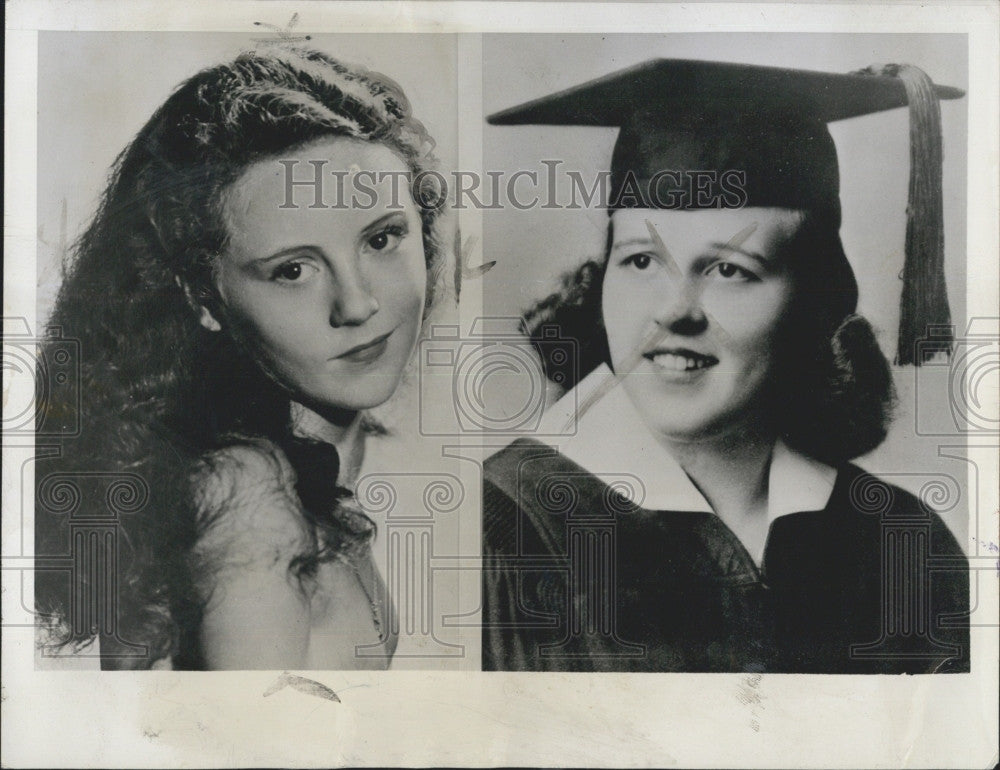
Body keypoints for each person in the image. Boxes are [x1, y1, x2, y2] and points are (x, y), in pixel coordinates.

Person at [481, 59, 970, 673]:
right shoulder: (503, 533)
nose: (673, 311)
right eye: (640, 261)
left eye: (729, 270)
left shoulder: (905, 544)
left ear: (815, 299)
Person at [33, 45, 450, 670]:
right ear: (203, 298)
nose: (358, 303)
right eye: (293, 270)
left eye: (382, 238)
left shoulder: (277, 476)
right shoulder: (246, 493)